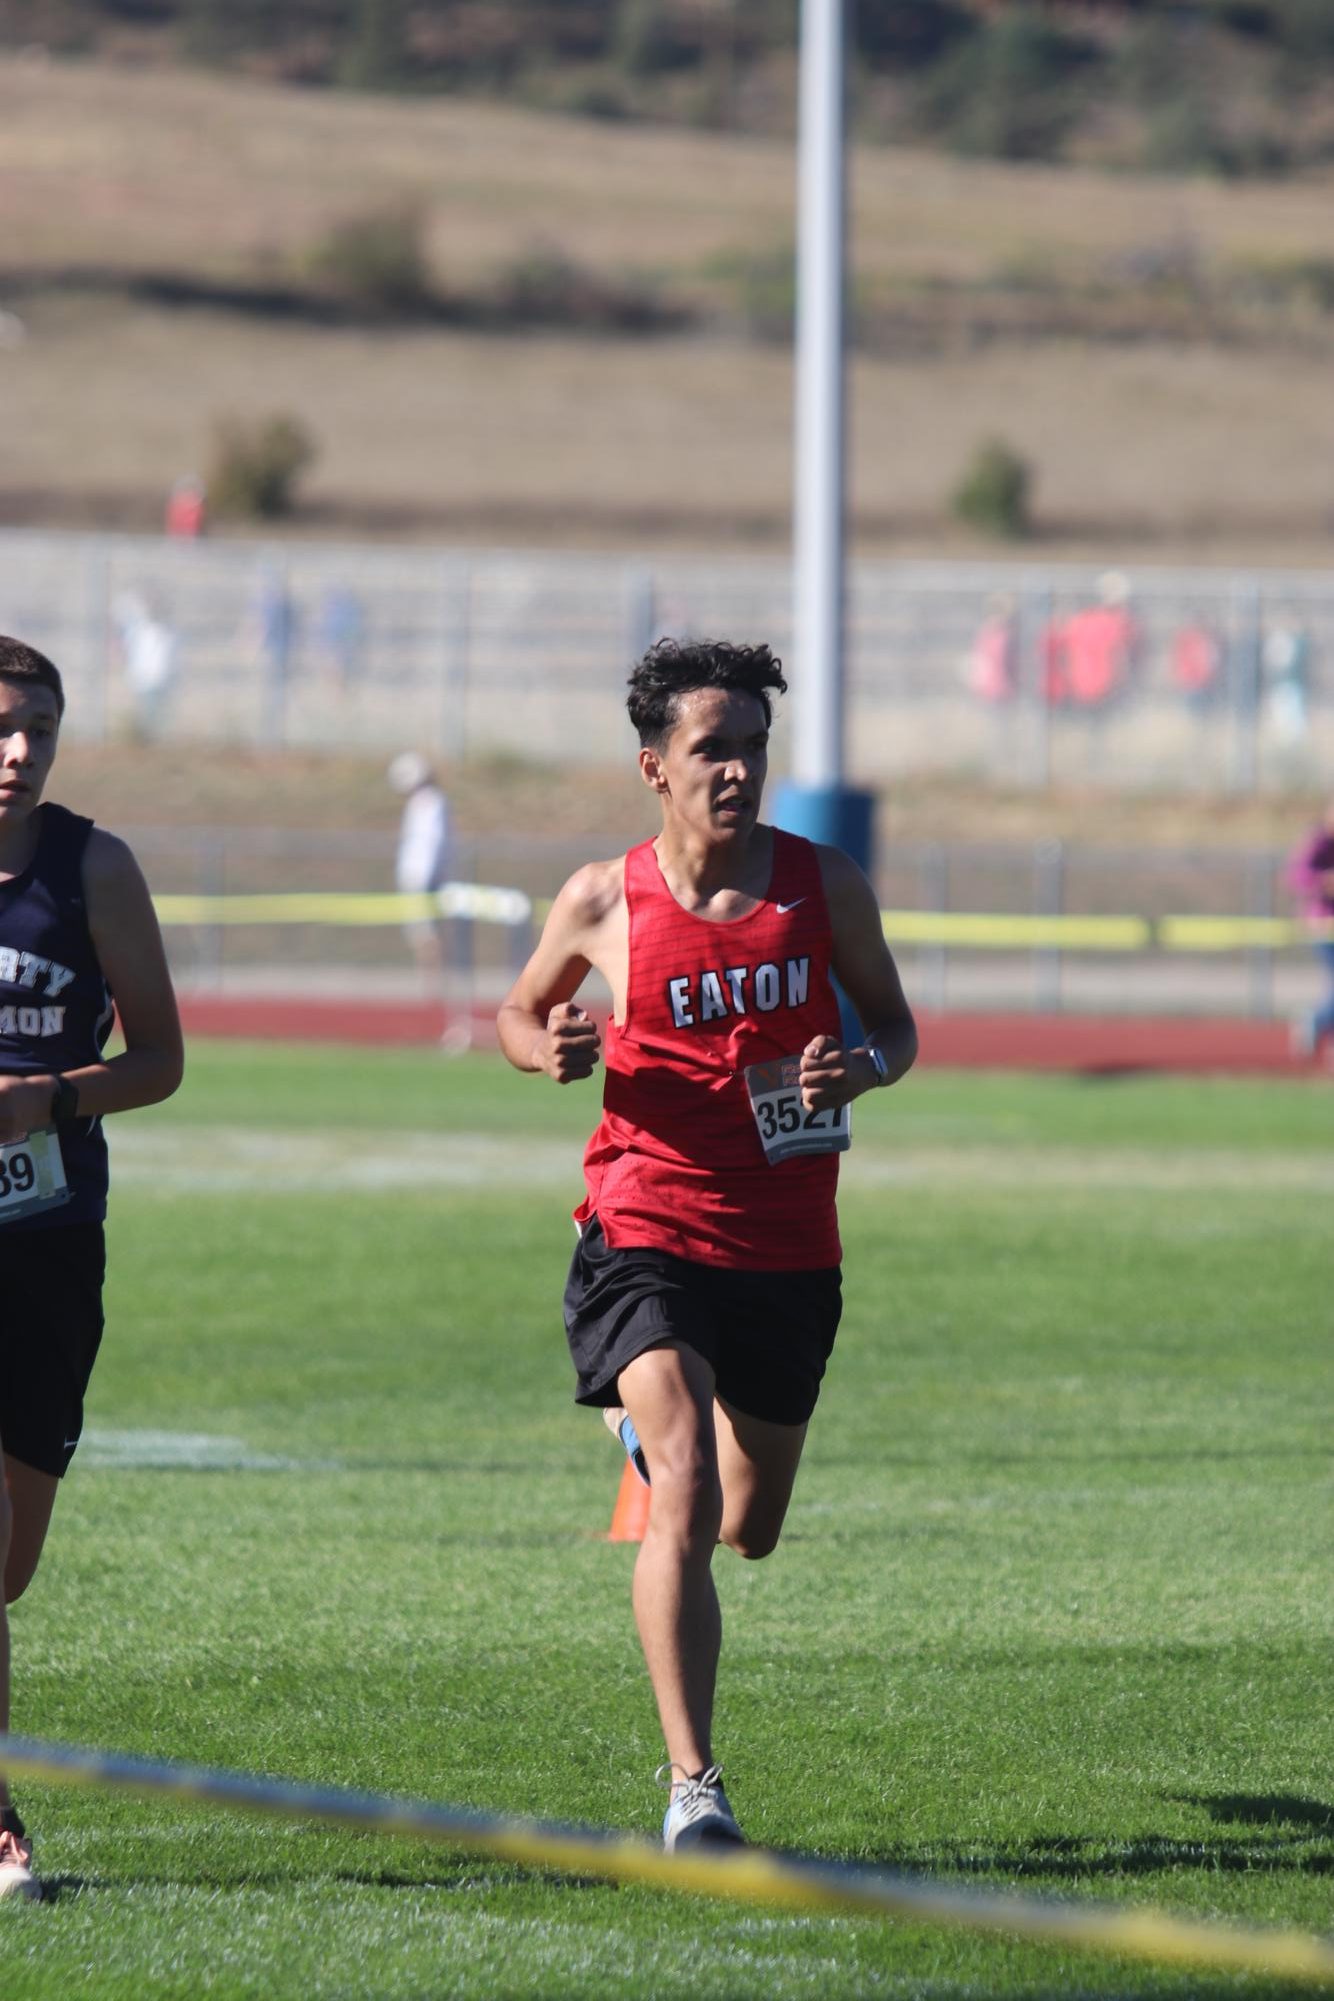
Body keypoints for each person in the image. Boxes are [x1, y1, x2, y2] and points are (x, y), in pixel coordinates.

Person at [496, 638, 917, 1851]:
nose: (735, 771)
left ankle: (646, 1437)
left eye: (751, 748)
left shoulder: (821, 886)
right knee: (680, 1491)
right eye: (709, 750)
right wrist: (550, 1049)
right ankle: (694, 1788)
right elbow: (522, 1013)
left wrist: (863, 1067)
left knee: (749, 1524)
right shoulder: (600, 898)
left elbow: (893, 1030)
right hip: (646, 1221)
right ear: (653, 767)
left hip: (786, 1239)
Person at [0, 635, 184, 1899]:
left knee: (9, 1567)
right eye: (2, 727)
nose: (19, 752)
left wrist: (51, 1098)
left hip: (50, 1242)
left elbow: (161, 1061)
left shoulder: (92, 869)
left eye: (41, 730)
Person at [388, 752, 468, 1050]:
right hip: (421, 880)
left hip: (425, 881)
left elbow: (431, 846)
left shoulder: (431, 803)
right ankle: (432, 988)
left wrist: (426, 881)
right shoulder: (423, 803)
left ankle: (434, 992)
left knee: (428, 938)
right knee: (424, 938)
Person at [1286, 800, 1334, 1062]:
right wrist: (1324, 881)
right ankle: (1315, 1020)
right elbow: (1297, 877)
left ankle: (1318, 1022)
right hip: (1325, 927)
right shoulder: (1317, 841)